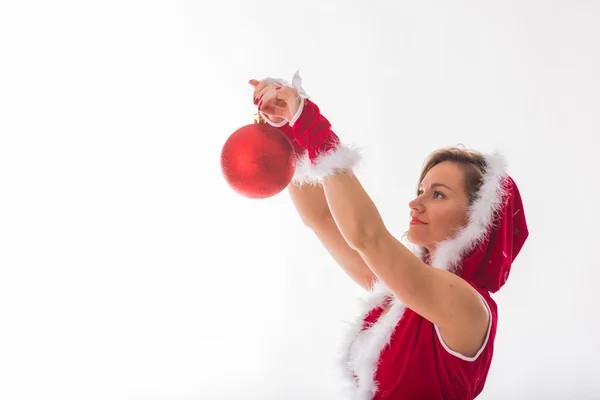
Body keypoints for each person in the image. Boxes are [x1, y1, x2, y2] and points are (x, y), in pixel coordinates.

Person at [249, 71, 529, 400]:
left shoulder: (467, 304)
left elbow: (368, 237)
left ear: (479, 219)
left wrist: (309, 123)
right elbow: (322, 218)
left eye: (437, 194)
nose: (415, 203)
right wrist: (290, 134)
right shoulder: (402, 295)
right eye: (421, 190)